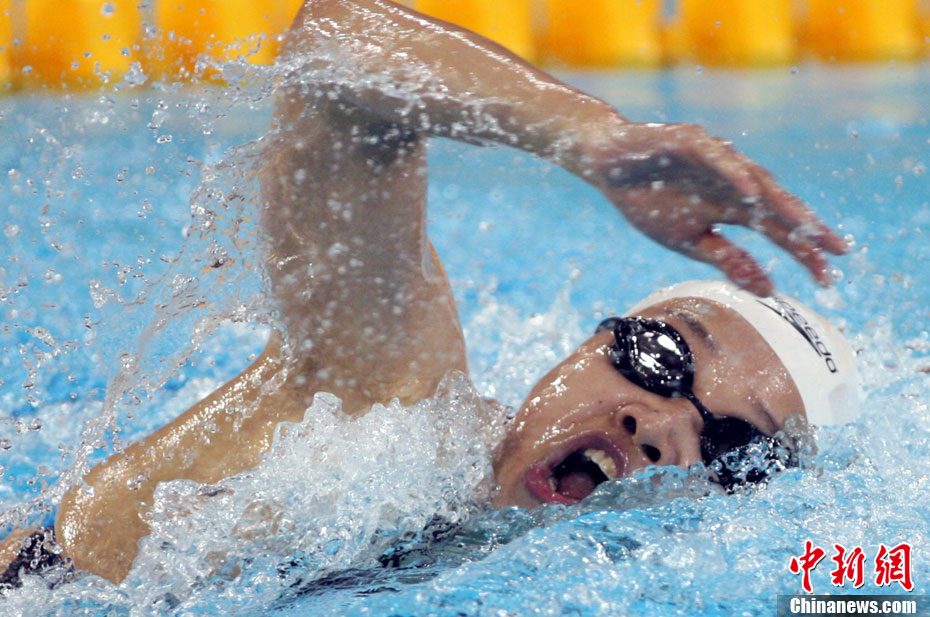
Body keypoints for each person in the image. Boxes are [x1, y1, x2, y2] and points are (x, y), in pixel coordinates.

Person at [0, 0, 854, 589]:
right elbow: (334, 51)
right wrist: (595, 138)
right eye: (663, 356)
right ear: (593, 341)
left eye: (734, 445)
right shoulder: (389, 409)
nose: (662, 426)